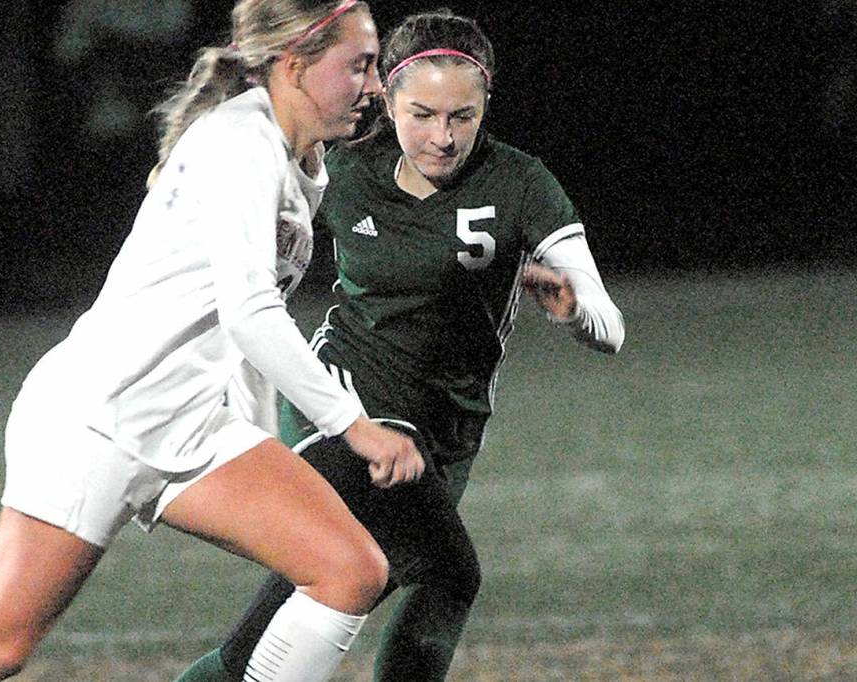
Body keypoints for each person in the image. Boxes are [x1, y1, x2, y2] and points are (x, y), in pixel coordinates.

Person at [0, 2, 428, 681]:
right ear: (296, 63)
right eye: (359, 66)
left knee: (349, 571)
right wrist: (352, 427)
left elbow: (246, 321)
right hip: (100, 420)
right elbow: (250, 313)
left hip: (187, 424)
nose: (374, 87)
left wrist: (260, 446)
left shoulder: (301, 157)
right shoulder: (238, 142)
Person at [174, 8, 626, 682]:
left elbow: (609, 328)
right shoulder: (346, 167)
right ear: (386, 96)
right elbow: (252, 217)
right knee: (449, 573)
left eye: (462, 117)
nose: (442, 137)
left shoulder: (520, 183)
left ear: (486, 103)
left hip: (445, 433)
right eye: (422, 114)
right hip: (346, 408)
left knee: (327, 596)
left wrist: (572, 310)